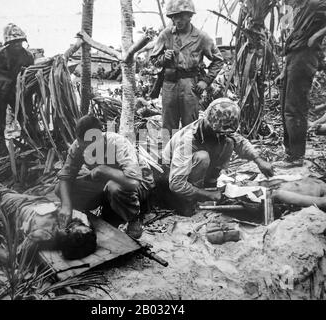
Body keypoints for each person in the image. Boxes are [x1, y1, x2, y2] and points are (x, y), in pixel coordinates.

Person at [161, 98, 274, 216]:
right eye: (219, 132)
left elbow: (241, 142)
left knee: (229, 142)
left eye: (225, 132)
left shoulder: (220, 128)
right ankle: (190, 200)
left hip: (191, 173)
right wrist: (207, 194)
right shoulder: (188, 140)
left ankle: (210, 184)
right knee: (202, 157)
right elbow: (176, 184)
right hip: (170, 179)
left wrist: (259, 161)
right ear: (208, 121)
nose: (222, 135)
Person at [56, 115, 155, 239]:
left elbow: (133, 182)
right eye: (83, 147)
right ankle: (84, 214)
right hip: (105, 183)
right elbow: (66, 176)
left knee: (114, 187)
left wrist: (105, 170)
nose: (86, 151)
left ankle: (134, 220)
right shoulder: (78, 145)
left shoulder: (118, 143)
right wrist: (66, 205)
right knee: (60, 188)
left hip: (139, 184)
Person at [0, 175, 97, 263]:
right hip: (40, 201)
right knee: (19, 191)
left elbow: (10, 258)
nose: (73, 223)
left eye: (71, 227)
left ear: (66, 234)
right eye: (81, 225)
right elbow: (82, 221)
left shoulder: (41, 235)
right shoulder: (77, 224)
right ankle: (8, 186)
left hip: (16, 207)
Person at [150, 0, 224, 133]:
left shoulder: (201, 37)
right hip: (169, 84)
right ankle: (169, 153)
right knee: (168, 126)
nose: (177, 20)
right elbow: (154, 59)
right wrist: (163, 58)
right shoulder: (166, 35)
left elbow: (218, 60)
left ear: (190, 16)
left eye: (181, 16)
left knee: (190, 126)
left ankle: (187, 153)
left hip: (191, 85)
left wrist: (205, 81)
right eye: (174, 16)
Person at [277, 0, 326, 167]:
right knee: (286, 109)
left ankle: (297, 156)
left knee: (295, 109)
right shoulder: (298, 7)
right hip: (294, 57)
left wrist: (316, 36)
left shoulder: (315, 3)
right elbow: (292, 39)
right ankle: (290, 152)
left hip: (305, 56)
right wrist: (284, 70)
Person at [0, 23, 34, 158]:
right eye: (14, 42)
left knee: (25, 119)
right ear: (8, 42)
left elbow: (31, 75)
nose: (17, 44)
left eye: (20, 41)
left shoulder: (27, 56)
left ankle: (32, 145)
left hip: (16, 93)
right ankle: (3, 154)